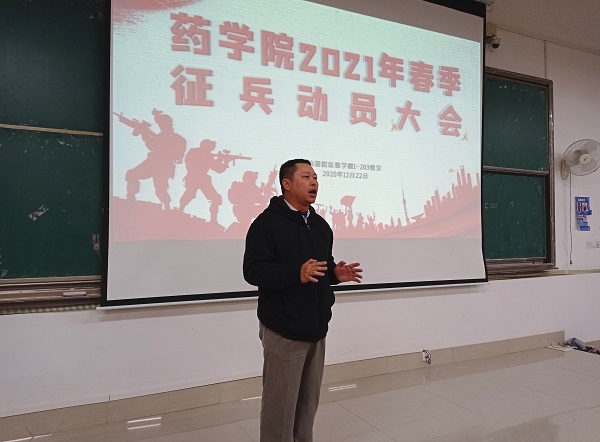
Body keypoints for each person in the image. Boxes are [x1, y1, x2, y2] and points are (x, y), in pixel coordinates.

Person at [243, 159, 363, 442]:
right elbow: (253, 270)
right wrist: (294, 273)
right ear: (286, 184)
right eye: (306, 177)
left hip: (316, 329)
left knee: (307, 408)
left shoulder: (320, 226)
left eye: (316, 178)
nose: (314, 183)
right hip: (284, 330)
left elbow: (322, 266)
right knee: (280, 411)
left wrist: (334, 274)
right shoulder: (266, 224)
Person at [122, 110, 186, 210]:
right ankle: (130, 198)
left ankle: (167, 207)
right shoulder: (161, 136)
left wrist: (145, 134)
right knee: (132, 174)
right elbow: (151, 146)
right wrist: (144, 133)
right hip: (152, 162)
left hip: (163, 166)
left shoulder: (178, 139)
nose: (160, 126)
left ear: (168, 124)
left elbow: (178, 157)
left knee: (160, 190)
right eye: (159, 124)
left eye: (161, 124)